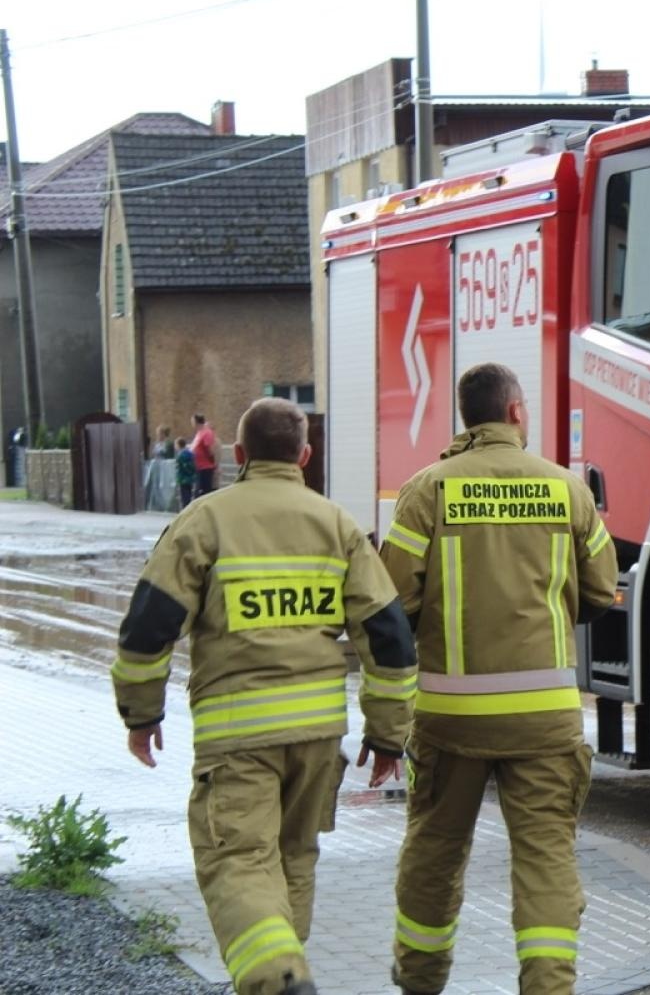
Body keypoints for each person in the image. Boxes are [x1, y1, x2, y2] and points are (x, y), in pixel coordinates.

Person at [111, 397, 418, 995]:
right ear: (304, 456)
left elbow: (148, 627)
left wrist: (141, 714)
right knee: (293, 858)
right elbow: (390, 642)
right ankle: (285, 974)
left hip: (238, 737)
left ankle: (277, 977)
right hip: (318, 737)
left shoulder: (206, 520)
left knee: (237, 861)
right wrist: (387, 735)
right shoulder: (338, 526)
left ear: (239, 453)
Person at [380, 362, 617, 995]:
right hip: (545, 720)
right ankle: (548, 986)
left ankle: (420, 980)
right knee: (546, 859)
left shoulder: (426, 491)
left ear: (467, 417)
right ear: (515, 412)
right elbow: (601, 592)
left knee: (434, 853)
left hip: (451, 718)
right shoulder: (567, 490)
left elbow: (393, 603)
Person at [192, 413, 219, 496]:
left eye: (192, 421)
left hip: (205, 468)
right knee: (198, 491)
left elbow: (210, 450)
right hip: (198, 467)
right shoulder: (199, 433)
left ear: (196, 421)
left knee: (204, 492)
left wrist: (213, 463)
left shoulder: (207, 433)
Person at [175, 437, 197, 509]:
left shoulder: (180, 455)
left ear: (178, 445)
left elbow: (180, 467)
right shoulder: (191, 453)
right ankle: (189, 507)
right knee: (189, 494)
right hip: (190, 478)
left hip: (183, 478)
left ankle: (185, 509)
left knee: (184, 496)